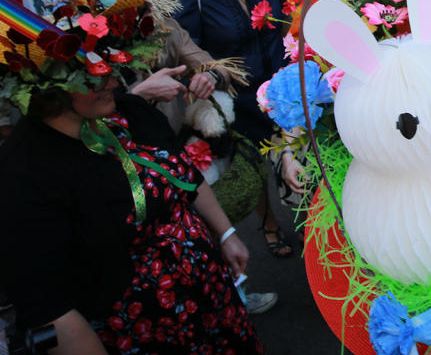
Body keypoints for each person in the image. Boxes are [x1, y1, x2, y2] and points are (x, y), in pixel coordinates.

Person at [0, 78, 264, 354]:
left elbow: (185, 172)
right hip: (144, 330)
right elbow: (48, 306)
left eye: (108, 63)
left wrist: (225, 232)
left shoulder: (128, 111)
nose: (112, 81)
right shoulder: (22, 174)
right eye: (91, 78)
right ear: (46, 86)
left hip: (211, 291)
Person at [175, 0, 294, 259]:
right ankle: (269, 223)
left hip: (283, 91)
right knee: (253, 167)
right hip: (240, 103)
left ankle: (310, 221)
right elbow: (191, 55)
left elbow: (286, 28)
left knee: (295, 158)